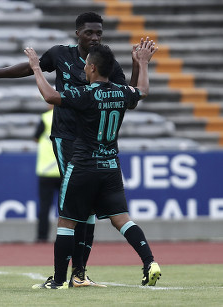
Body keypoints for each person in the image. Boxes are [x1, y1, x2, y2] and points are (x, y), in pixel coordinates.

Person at [0, 11, 148, 287]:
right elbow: (29, 68)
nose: (95, 37)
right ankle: (75, 274)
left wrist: (138, 64)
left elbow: (128, 94)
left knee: (85, 209)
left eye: (99, 32)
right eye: (89, 32)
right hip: (67, 138)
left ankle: (77, 273)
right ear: (78, 33)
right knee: (82, 208)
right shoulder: (60, 55)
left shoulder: (104, 61)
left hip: (93, 143)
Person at [25, 41, 160, 289]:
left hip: (84, 164)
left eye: (86, 65)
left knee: (67, 221)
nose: (84, 68)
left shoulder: (87, 94)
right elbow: (142, 90)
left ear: (93, 68)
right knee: (122, 219)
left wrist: (35, 67)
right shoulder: (122, 92)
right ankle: (149, 261)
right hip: (111, 166)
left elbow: (50, 96)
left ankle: (57, 281)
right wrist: (142, 63)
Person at [34, 104, 61, 243]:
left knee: (45, 207)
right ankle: (69, 237)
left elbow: (36, 138)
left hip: (46, 171)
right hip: (64, 170)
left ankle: (42, 238)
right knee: (68, 208)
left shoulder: (45, 118)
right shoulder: (68, 117)